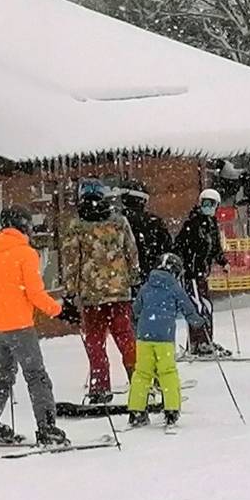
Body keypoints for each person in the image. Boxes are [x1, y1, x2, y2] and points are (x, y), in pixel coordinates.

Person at [0, 206, 78, 447]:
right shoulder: (26, 254)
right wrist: (60, 310)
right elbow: (35, 293)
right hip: (19, 326)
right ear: (23, 226)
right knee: (36, 376)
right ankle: (47, 427)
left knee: (2, 375)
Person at [63, 185, 141, 404]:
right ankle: (139, 381)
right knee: (125, 337)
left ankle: (100, 386)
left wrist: (70, 293)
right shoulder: (119, 222)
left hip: (91, 294)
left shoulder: (77, 226)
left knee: (95, 342)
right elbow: (131, 252)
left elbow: (72, 260)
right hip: (119, 291)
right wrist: (134, 280)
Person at [127, 253, 203, 429]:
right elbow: (187, 306)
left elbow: (136, 309)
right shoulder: (173, 286)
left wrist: (139, 322)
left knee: (142, 373)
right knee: (167, 372)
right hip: (165, 338)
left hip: (144, 337)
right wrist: (197, 322)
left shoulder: (147, 286)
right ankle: (171, 410)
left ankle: (137, 411)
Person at [176, 188, 232, 358]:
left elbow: (214, 247)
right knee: (199, 307)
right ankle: (199, 342)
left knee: (206, 305)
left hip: (202, 273)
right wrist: (185, 266)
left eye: (211, 204)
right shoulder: (193, 224)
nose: (208, 207)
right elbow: (180, 246)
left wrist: (223, 262)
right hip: (192, 273)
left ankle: (204, 340)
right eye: (205, 203)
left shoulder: (211, 224)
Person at [114, 181, 175, 283]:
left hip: (122, 279)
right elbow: (166, 249)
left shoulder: (116, 223)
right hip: (150, 277)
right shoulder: (154, 222)